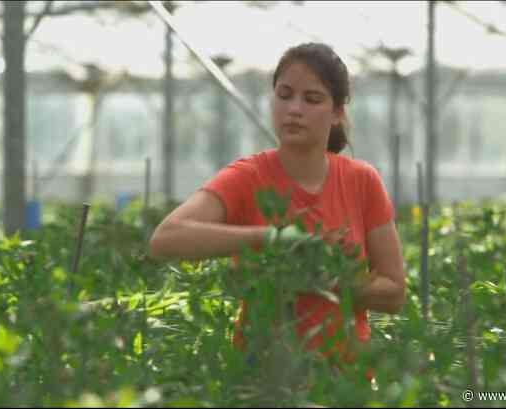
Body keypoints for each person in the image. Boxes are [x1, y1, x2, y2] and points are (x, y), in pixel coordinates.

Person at [149, 42, 405, 376]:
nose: (294, 109)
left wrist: (328, 281)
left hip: (345, 382)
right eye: (284, 95)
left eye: (311, 99)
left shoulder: (361, 181)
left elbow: (394, 293)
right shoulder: (248, 177)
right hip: (264, 379)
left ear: (338, 111)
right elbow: (165, 239)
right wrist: (269, 238)